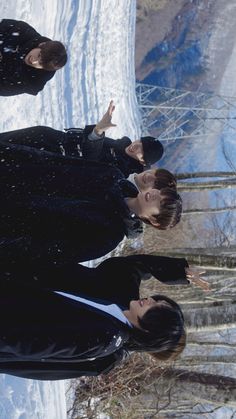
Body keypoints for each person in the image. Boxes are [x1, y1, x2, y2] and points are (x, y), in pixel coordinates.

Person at [0, 253, 200, 380]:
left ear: (150, 330)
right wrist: (177, 271)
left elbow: (31, 343)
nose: (149, 300)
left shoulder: (106, 339)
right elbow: (131, 267)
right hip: (13, 280)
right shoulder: (121, 299)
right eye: (157, 300)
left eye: (154, 309)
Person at [0, 139, 182, 265]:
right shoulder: (112, 175)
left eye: (161, 203)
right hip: (13, 175)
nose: (155, 195)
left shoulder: (108, 236)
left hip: (10, 220)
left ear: (155, 221)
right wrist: (14, 152)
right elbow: (57, 161)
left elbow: (44, 253)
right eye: (160, 192)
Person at [0, 101, 163, 177]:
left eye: (142, 151)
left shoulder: (121, 171)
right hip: (54, 139)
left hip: (53, 157)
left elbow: (90, 162)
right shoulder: (120, 146)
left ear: (143, 162)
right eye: (140, 142)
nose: (137, 146)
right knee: (10, 140)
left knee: (10, 156)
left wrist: (98, 131)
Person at [0, 19, 67, 96]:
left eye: (40, 64)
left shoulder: (28, 81)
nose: (34, 61)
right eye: (38, 55)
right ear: (41, 44)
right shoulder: (22, 30)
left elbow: (2, 89)